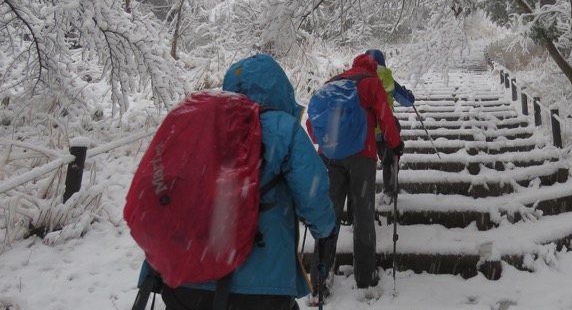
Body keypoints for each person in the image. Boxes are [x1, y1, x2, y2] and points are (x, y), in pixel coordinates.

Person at [140, 54, 337, 310]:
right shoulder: (283, 128)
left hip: (186, 279)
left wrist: (153, 268)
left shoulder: (199, 124)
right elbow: (314, 195)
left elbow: (168, 194)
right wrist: (326, 231)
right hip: (260, 285)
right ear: (280, 89)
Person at [306, 53, 403, 301]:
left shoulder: (333, 83)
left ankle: (319, 278)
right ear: (374, 67)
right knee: (362, 216)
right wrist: (395, 144)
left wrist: (327, 144)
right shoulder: (372, 82)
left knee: (330, 216)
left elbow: (312, 124)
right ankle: (365, 275)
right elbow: (385, 117)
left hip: (330, 156)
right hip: (363, 155)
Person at [363, 49, 415, 204]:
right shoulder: (388, 78)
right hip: (386, 130)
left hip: (366, 131)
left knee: (365, 164)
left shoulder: (359, 78)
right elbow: (408, 101)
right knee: (389, 160)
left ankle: (364, 193)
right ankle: (390, 191)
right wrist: (407, 92)